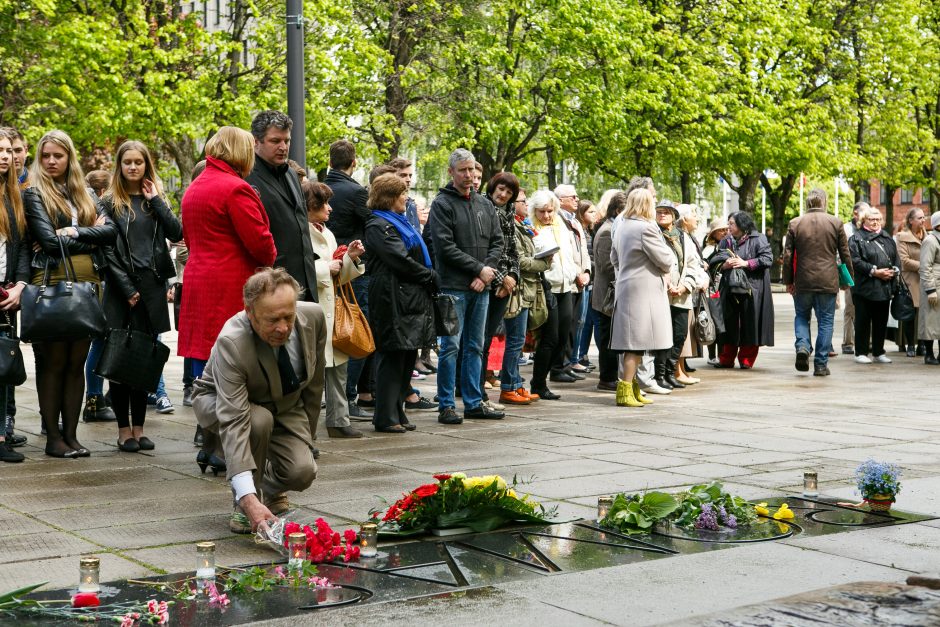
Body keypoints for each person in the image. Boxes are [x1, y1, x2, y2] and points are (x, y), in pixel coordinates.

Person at [192, 268, 325, 533]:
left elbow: (314, 386)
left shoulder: (314, 317)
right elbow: (234, 419)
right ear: (249, 312)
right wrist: (246, 498)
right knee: (258, 420)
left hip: (284, 403)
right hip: (223, 402)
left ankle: (265, 490)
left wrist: (305, 440)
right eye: (273, 320)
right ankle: (244, 503)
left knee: (302, 471)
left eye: (289, 316)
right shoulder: (232, 341)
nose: (283, 328)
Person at [179, 126, 278, 468]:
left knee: (206, 369)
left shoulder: (196, 187)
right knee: (233, 368)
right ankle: (225, 449)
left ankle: (208, 443)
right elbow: (261, 245)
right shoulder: (236, 188)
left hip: (199, 282)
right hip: (230, 284)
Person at [24, 130, 117, 458]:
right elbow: (49, 243)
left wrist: (76, 230)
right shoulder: (34, 194)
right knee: (53, 362)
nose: (51, 161)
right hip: (50, 281)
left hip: (88, 281)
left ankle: (72, 436)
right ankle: (53, 438)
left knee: (77, 362)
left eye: (58, 156)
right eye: (46, 155)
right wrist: (91, 236)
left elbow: (111, 232)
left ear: (69, 158)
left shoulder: (86, 193)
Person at [100, 140, 183, 452]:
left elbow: (177, 233)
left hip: (151, 287)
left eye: (138, 162)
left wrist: (158, 200)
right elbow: (106, 251)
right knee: (120, 359)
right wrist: (127, 288)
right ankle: (123, 431)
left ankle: (139, 428)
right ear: (119, 166)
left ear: (147, 165)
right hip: (121, 290)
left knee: (145, 361)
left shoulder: (153, 201)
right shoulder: (109, 202)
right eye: (127, 162)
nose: (133, 167)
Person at [430, 148, 504, 423]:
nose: (470, 175)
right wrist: (479, 269)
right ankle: (447, 405)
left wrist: (486, 273)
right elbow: (444, 247)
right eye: (463, 170)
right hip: (453, 287)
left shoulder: (484, 204)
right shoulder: (442, 204)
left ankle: (474, 401)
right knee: (450, 346)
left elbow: (497, 242)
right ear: (451, 172)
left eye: (472, 169)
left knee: (475, 345)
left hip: (480, 287)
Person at [364, 174, 438, 432]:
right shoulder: (378, 224)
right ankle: (385, 416)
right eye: (402, 193)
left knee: (406, 355)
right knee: (392, 355)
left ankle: (397, 411)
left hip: (406, 296)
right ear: (390, 197)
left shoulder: (397, 222)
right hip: (391, 296)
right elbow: (399, 259)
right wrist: (429, 275)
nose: (406, 198)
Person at [304, 180, 365, 438]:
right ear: (310, 206)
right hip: (315, 309)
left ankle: (339, 420)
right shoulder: (301, 231)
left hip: (332, 307)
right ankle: (307, 428)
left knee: (338, 368)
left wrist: (349, 259)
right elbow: (299, 267)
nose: (329, 209)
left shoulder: (326, 232)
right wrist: (325, 269)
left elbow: (339, 274)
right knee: (314, 373)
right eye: (324, 203)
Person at [323, 140, 373, 420]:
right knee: (354, 330)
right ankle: (348, 395)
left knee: (332, 331)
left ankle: (334, 397)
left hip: (326, 267)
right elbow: (371, 226)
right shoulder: (356, 191)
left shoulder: (322, 188)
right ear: (353, 162)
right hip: (351, 268)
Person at [609, 188, 673, 407]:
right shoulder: (646, 228)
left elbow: (614, 258)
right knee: (636, 343)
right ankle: (625, 390)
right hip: (644, 289)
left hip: (627, 285)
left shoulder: (622, 225)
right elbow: (665, 260)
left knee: (634, 340)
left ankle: (632, 387)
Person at [246, 111, 319, 302]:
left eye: (286, 141)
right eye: (275, 141)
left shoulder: (291, 174)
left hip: (306, 284)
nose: (283, 147)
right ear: (256, 141)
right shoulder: (246, 178)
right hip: (271, 288)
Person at [781, 188, 853, 376]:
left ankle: (803, 347)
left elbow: (787, 255)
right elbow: (845, 254)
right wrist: (848, 279)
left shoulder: (795, 223)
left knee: (802, 316)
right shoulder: (835, 222)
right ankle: (821, 365)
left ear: (808, 203)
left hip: (803, 280)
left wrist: (788, 280)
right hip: (828, 280)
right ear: (824, 202)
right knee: (826, 322)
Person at [528, 190, 580, 399]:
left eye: (550, 211)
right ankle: (538, 383)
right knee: (549, 338)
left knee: (561, 338)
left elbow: (570, 255)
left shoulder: (561, 226)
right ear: (535, 211)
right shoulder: (531, 228)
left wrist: (577, 273)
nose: (547, 215)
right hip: (545, 287)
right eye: (542, 211)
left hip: (566, 286)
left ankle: (541, 380)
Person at [709, 211, 774, 369]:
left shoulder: (758, 238)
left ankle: (746, 359)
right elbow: (715, 260)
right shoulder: (726, 241)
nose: (728, 227)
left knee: (751, 323)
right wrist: (724, 265)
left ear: (742, 224)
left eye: (731, 223)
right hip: (729, 288)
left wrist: (746, 263)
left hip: (752, 289)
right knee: (729, 324)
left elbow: (767, 259)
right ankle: (726, 358)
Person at [655, 200, 707, 389]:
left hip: (681, 295)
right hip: (661, 294)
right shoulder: (654, 234)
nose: (662, 214)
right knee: (661, 336)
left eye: (666, 212)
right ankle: (659, 374)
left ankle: (670, 373)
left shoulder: (683, 238)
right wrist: (668, 285)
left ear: (674, 216)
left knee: (679, 334)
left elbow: (693, 265)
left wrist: (685, 286)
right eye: (659, 211)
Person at [0, 130, 30, 462]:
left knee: (2, 366)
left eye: (9, 150)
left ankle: (1, 435)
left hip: (7, 294)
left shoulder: (15, 198)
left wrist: (20, 285)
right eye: (0, 150)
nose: (6, 156)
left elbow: (21, 250)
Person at [480, 172, 520, 399]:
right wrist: (500, 279)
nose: (503, 195)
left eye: (508, 192)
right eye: (500, 189)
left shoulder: (509, 212)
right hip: (490, 279)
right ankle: (477, 386)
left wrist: (512, 277)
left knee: (490, 337)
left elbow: (513, 249)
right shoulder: (485, 209)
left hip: (506, 283)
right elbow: (485, 250)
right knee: (481, 339)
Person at [849, 208, 899, 364]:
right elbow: (854, 261)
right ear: (863, 220)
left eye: (878, 219)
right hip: (864, 287)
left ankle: (879, 352)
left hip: (884, 287)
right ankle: (861, 352)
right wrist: (874, 271)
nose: (876, 221)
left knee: (881, 321)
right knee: (863, 321)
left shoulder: (887, 237)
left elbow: (896, 257)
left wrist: (895, 271)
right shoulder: (856, 238)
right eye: (872, 219)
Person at [552, 184, 591, 380]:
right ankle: (559, 365)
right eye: (572, 197)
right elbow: (563, 252)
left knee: (574, 324)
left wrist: (587, 271)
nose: (577, 199)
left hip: (580, 280)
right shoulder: (557, 220)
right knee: (564, 326)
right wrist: (577, 273)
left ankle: (567, 363)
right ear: (560, 200)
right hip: (569, 279)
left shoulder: (574, 222)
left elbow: (583, 250)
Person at [591, 191, 627, 392]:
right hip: (606, 296)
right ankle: (607, 378)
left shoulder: (614, 228)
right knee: (607, 338)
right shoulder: (607, 231)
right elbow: (606, 265)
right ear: (618, 210)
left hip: (611, 294)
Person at [570, 199, 600, 372]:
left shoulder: (590, 231)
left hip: (590, 278)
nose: (595, 215)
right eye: (590, 212)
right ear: (581, 214)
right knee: (581, 321)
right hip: (584, 280)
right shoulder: (580, 231)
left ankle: (578, 356)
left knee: (583, 321)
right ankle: (576, 356)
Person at [896, 207, 927, 357]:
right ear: (911, 220)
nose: (923, 220)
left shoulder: (928, 237)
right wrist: (923, 266)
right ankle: (910, 345)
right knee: (910, 314)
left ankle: (922, 344)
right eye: (920, 218)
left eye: (924, 217)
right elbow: (903, 261)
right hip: (910, 281)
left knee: (924, 315)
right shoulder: (902, 237)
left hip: (926, 280)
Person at [702, 219, 729, 366]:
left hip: (721, 290)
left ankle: (720, 355)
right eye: (721, 230)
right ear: (713, 233)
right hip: (713, 291)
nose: (725, 232)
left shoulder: (723, 246)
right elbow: (704, 266)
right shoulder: (709, 249)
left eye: (726, 229)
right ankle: (713, 355)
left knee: (720, 323)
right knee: (715, 322)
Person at [842, 203, 866, 355]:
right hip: (851, 273)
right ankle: (848, 342)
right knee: (850, 309)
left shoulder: (868, 228)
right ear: (855, 213)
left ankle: (863, 341)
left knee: (864, 309)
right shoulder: (846, 229)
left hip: (866, 274)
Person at [918, 211, 940, 364]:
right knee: (930, 320)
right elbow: (925, 267)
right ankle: (929, 354)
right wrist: (930, 290)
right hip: (934, 285)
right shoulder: (930, 241)